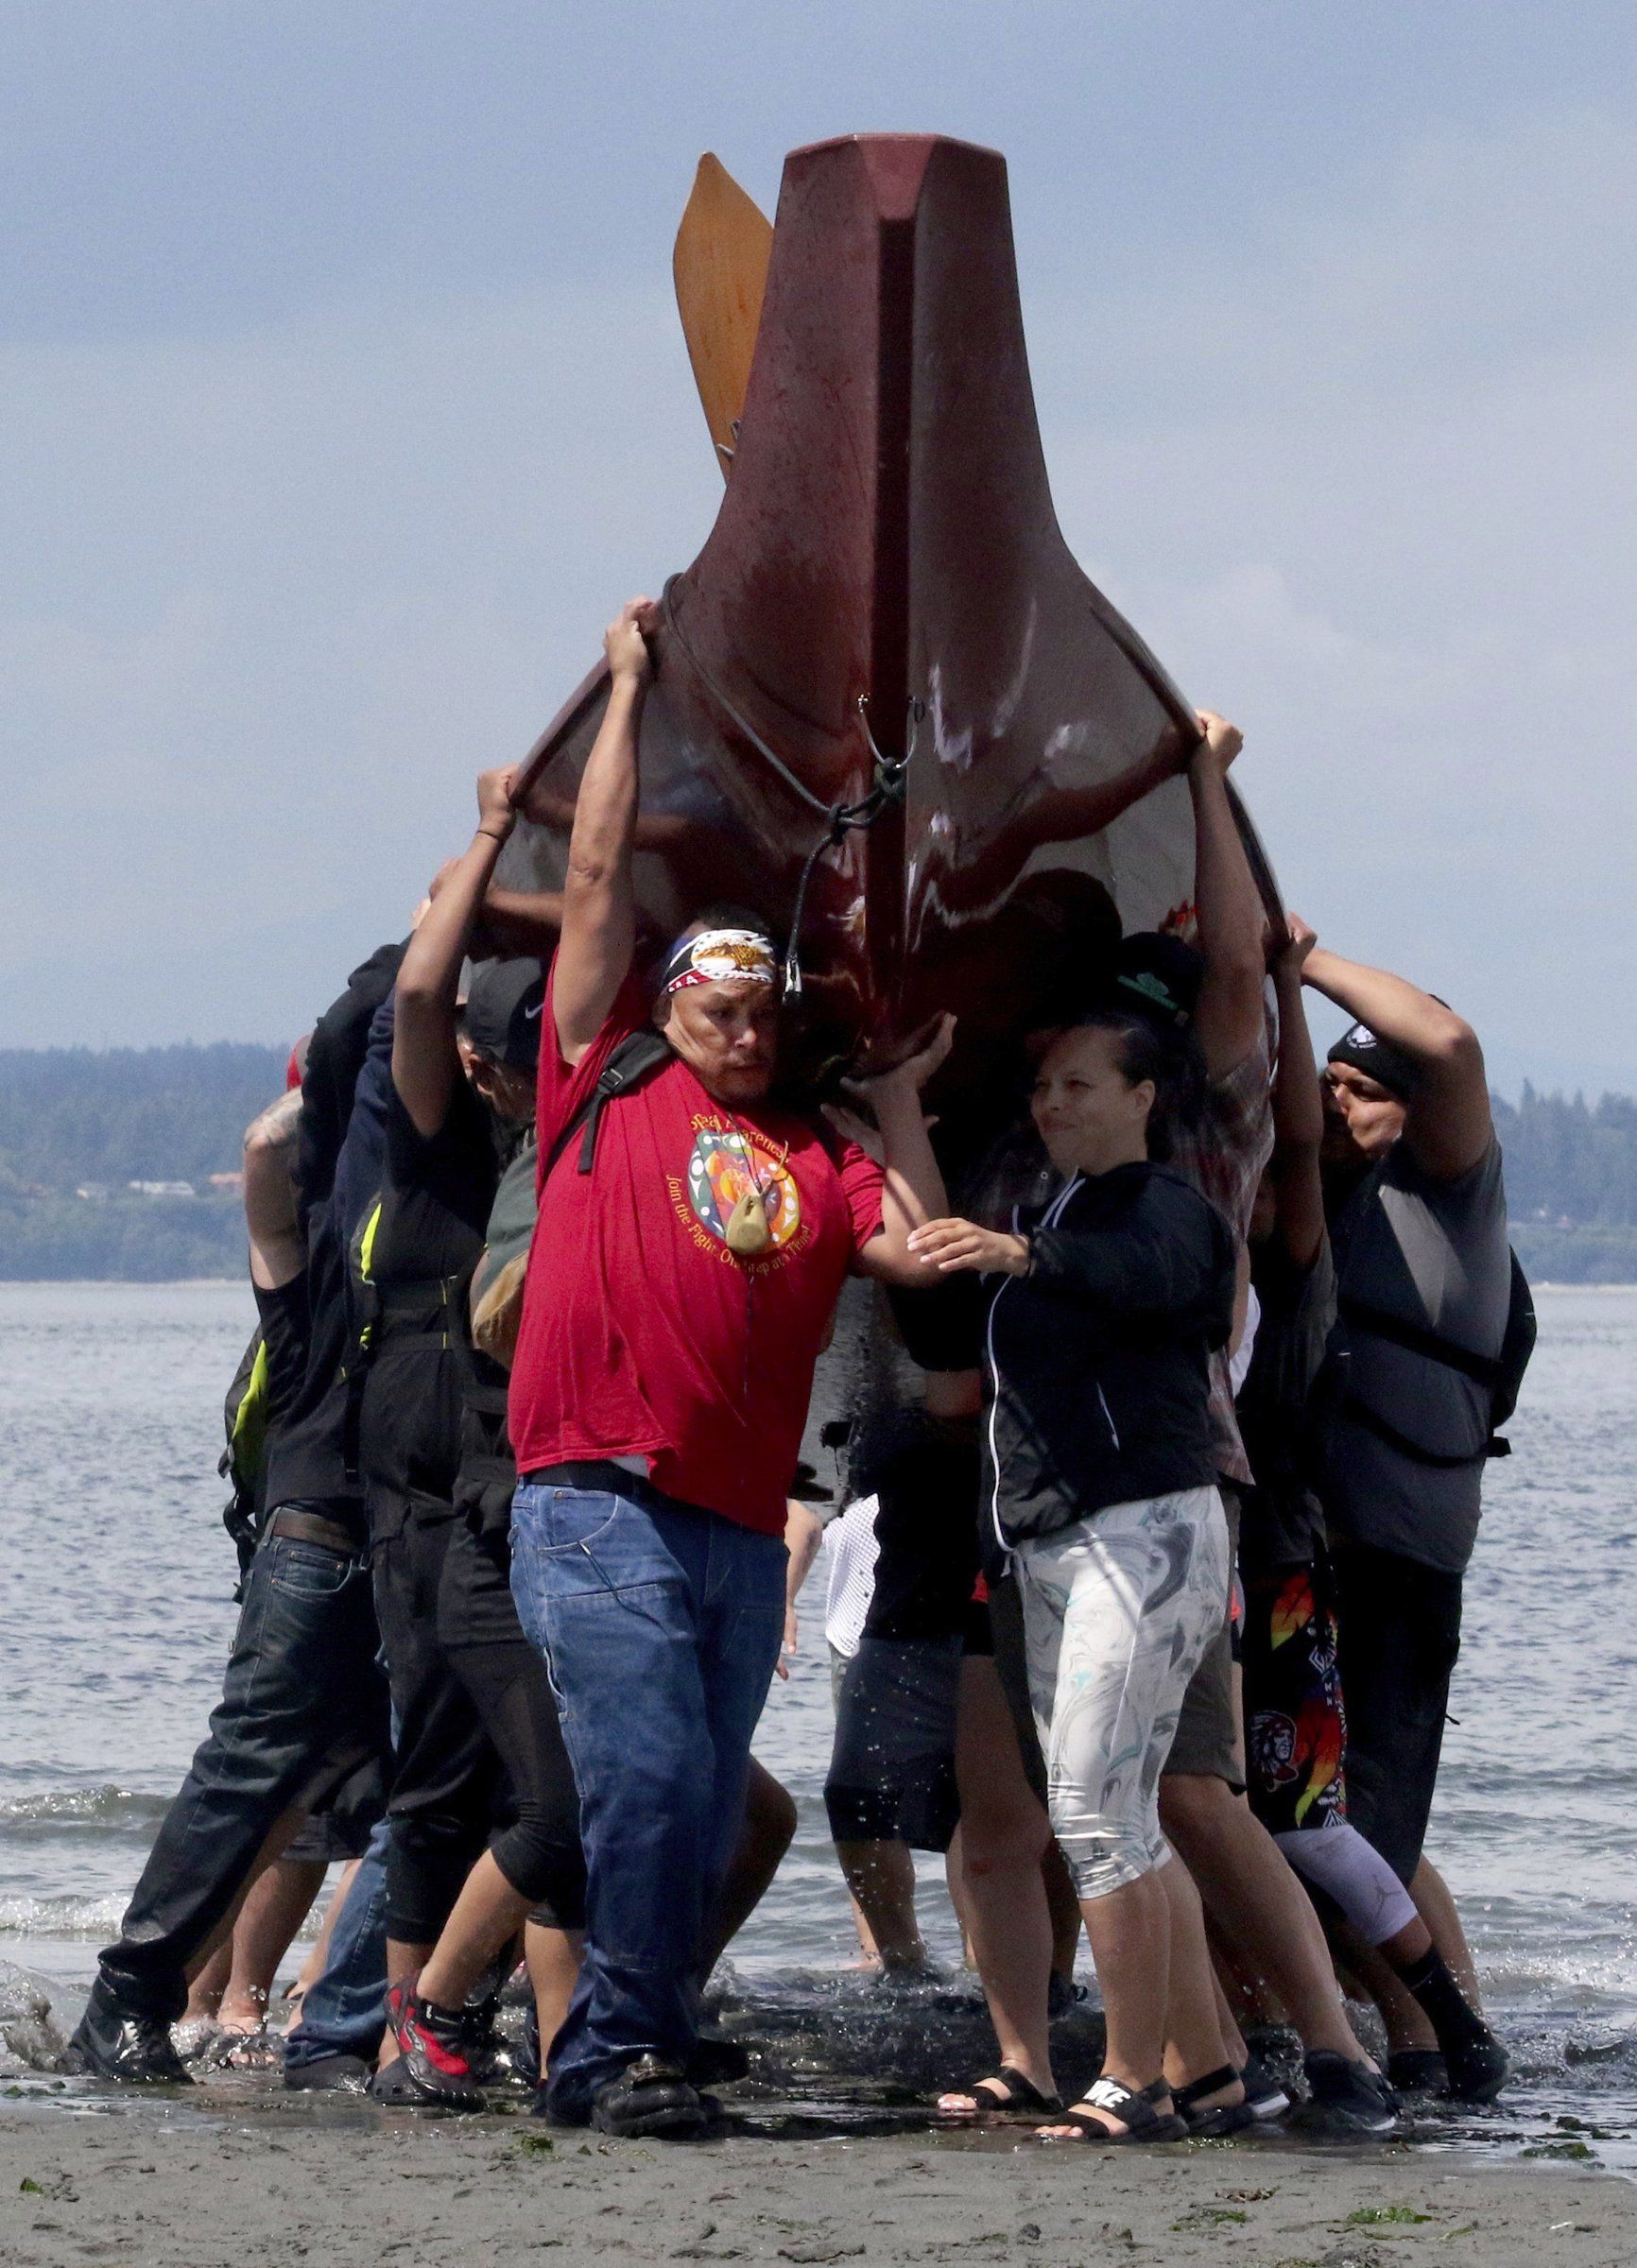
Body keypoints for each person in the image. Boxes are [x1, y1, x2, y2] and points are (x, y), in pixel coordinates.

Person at [505, 596, 951, 2139]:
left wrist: (890, 1099)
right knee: (634, 1775)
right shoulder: (604, 1081)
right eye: (720, 1003)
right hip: (597, 1498)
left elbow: (906, 1248)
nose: (744, 1030)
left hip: (736, 1527)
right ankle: (611, 2050)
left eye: (765, 1013)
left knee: (696, 1800)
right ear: (672, 1001)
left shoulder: (810, 1149)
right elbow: (588, 883)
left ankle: (634, 2032)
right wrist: (626, 692)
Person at [909, 1005, 1238, 2144]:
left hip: (1139, 1536)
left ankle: (1131, 2079)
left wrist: (1023, 1252)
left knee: (1096, 1816)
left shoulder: (1165, 1208)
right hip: (1050, 1547)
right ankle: (1188, 2075)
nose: (1053, 1105)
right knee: (1108, 1814)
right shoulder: (1063, 1214)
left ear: (1143, 1098)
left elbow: (1167, 1283)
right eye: (1044, 1088)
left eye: (1080, 1084)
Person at [66, 1065, 391, 2083]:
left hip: (373, 1552)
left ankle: (292, 2008)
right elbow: (262, 1151)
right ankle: (141, 1999)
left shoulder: (382, 1246)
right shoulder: (317, 1265)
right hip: (324, 1549)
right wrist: (351, 1073)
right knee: (258, 1778)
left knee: (313, 1791)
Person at [1238, 920, 1508, 2105]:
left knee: (1372, 1823)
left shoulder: (1446, 1191)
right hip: (1294, 1546)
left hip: (1394, 1552)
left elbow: (1443, 1043)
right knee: (1300, 1812)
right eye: (1328, 1084)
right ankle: (1392, 2028)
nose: (1340, 1105)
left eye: (1364, 1092)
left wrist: (1297, 958)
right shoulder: (1295, 1190)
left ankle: (1430, 2046)